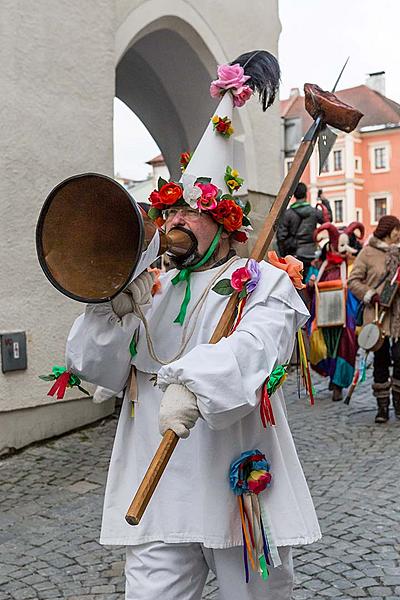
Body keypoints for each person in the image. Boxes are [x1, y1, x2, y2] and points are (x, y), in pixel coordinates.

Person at [65, 52, 320, 600]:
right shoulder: (149, 290)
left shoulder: (260, 282)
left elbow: (258, 351)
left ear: (224, 220)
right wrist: (104, 307)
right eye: (169, 210)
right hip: (158, 496)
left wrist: (192, 381)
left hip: (236, 488)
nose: (174, 221)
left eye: (190, 211)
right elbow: (99, 367)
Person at [348, 215, 400, 423]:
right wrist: (370, 294)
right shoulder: (367, 253)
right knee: (380, 360)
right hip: (377, 315)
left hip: (397, 316)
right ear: (387, 230)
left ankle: (398, 402)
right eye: (396, 229)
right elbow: (353, 281)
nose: (398, 232)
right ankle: (382, 408)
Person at [306, 222, 364, 401]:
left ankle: (338, 383)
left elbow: (357, 285)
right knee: (325, 345)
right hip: (323, 314)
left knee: (345, 346)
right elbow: (308, 285)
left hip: (346, 315)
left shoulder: (352, 265)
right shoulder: (318, 264)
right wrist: (311, 282)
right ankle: (333, 375)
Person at [276, 182, 324, 279]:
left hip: (295, 255)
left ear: (294, 195)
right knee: (311, 287)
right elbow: (328, 219)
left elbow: (281, 237)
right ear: (306, 194)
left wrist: (285, 256)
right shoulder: (314, 212)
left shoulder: (287, 214)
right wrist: (324, 200)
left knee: (298, 286)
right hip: (312, 255)